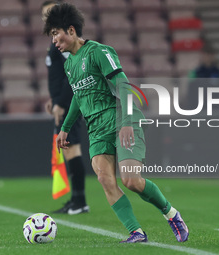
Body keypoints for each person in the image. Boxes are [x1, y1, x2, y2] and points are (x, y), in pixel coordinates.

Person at [44, 3, 189, 243]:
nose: (54, 41)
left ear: (70, 30)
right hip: (97, 129)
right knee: (104, 178)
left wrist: (128, 122)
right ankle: (136, 232)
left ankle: (171, 214)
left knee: (131, 180)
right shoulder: (69, 64)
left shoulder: (100, 52)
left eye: (55, 34)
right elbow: (79, 98)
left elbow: (123, 85)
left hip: (120, 119)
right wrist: (65, 128)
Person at [41, 0, 89, 215]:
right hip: (62, 101)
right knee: (69, 150)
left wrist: (61, 102)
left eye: (51, 13)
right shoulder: (54, 44)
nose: (47, 17)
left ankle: (80, 200)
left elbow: (72, 76)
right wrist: (53, 98)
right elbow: (58, 76)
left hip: (71, 104)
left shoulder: (65, 44)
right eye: (45, 14)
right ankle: (76, 200)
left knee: (72, 150)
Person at [186, 44, 219, 114]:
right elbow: (190, 92)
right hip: (199, 109)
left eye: (209, 55)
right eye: (204, 55)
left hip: (216, 109)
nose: (206, 58)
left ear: (213, 56)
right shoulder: (195, 72)